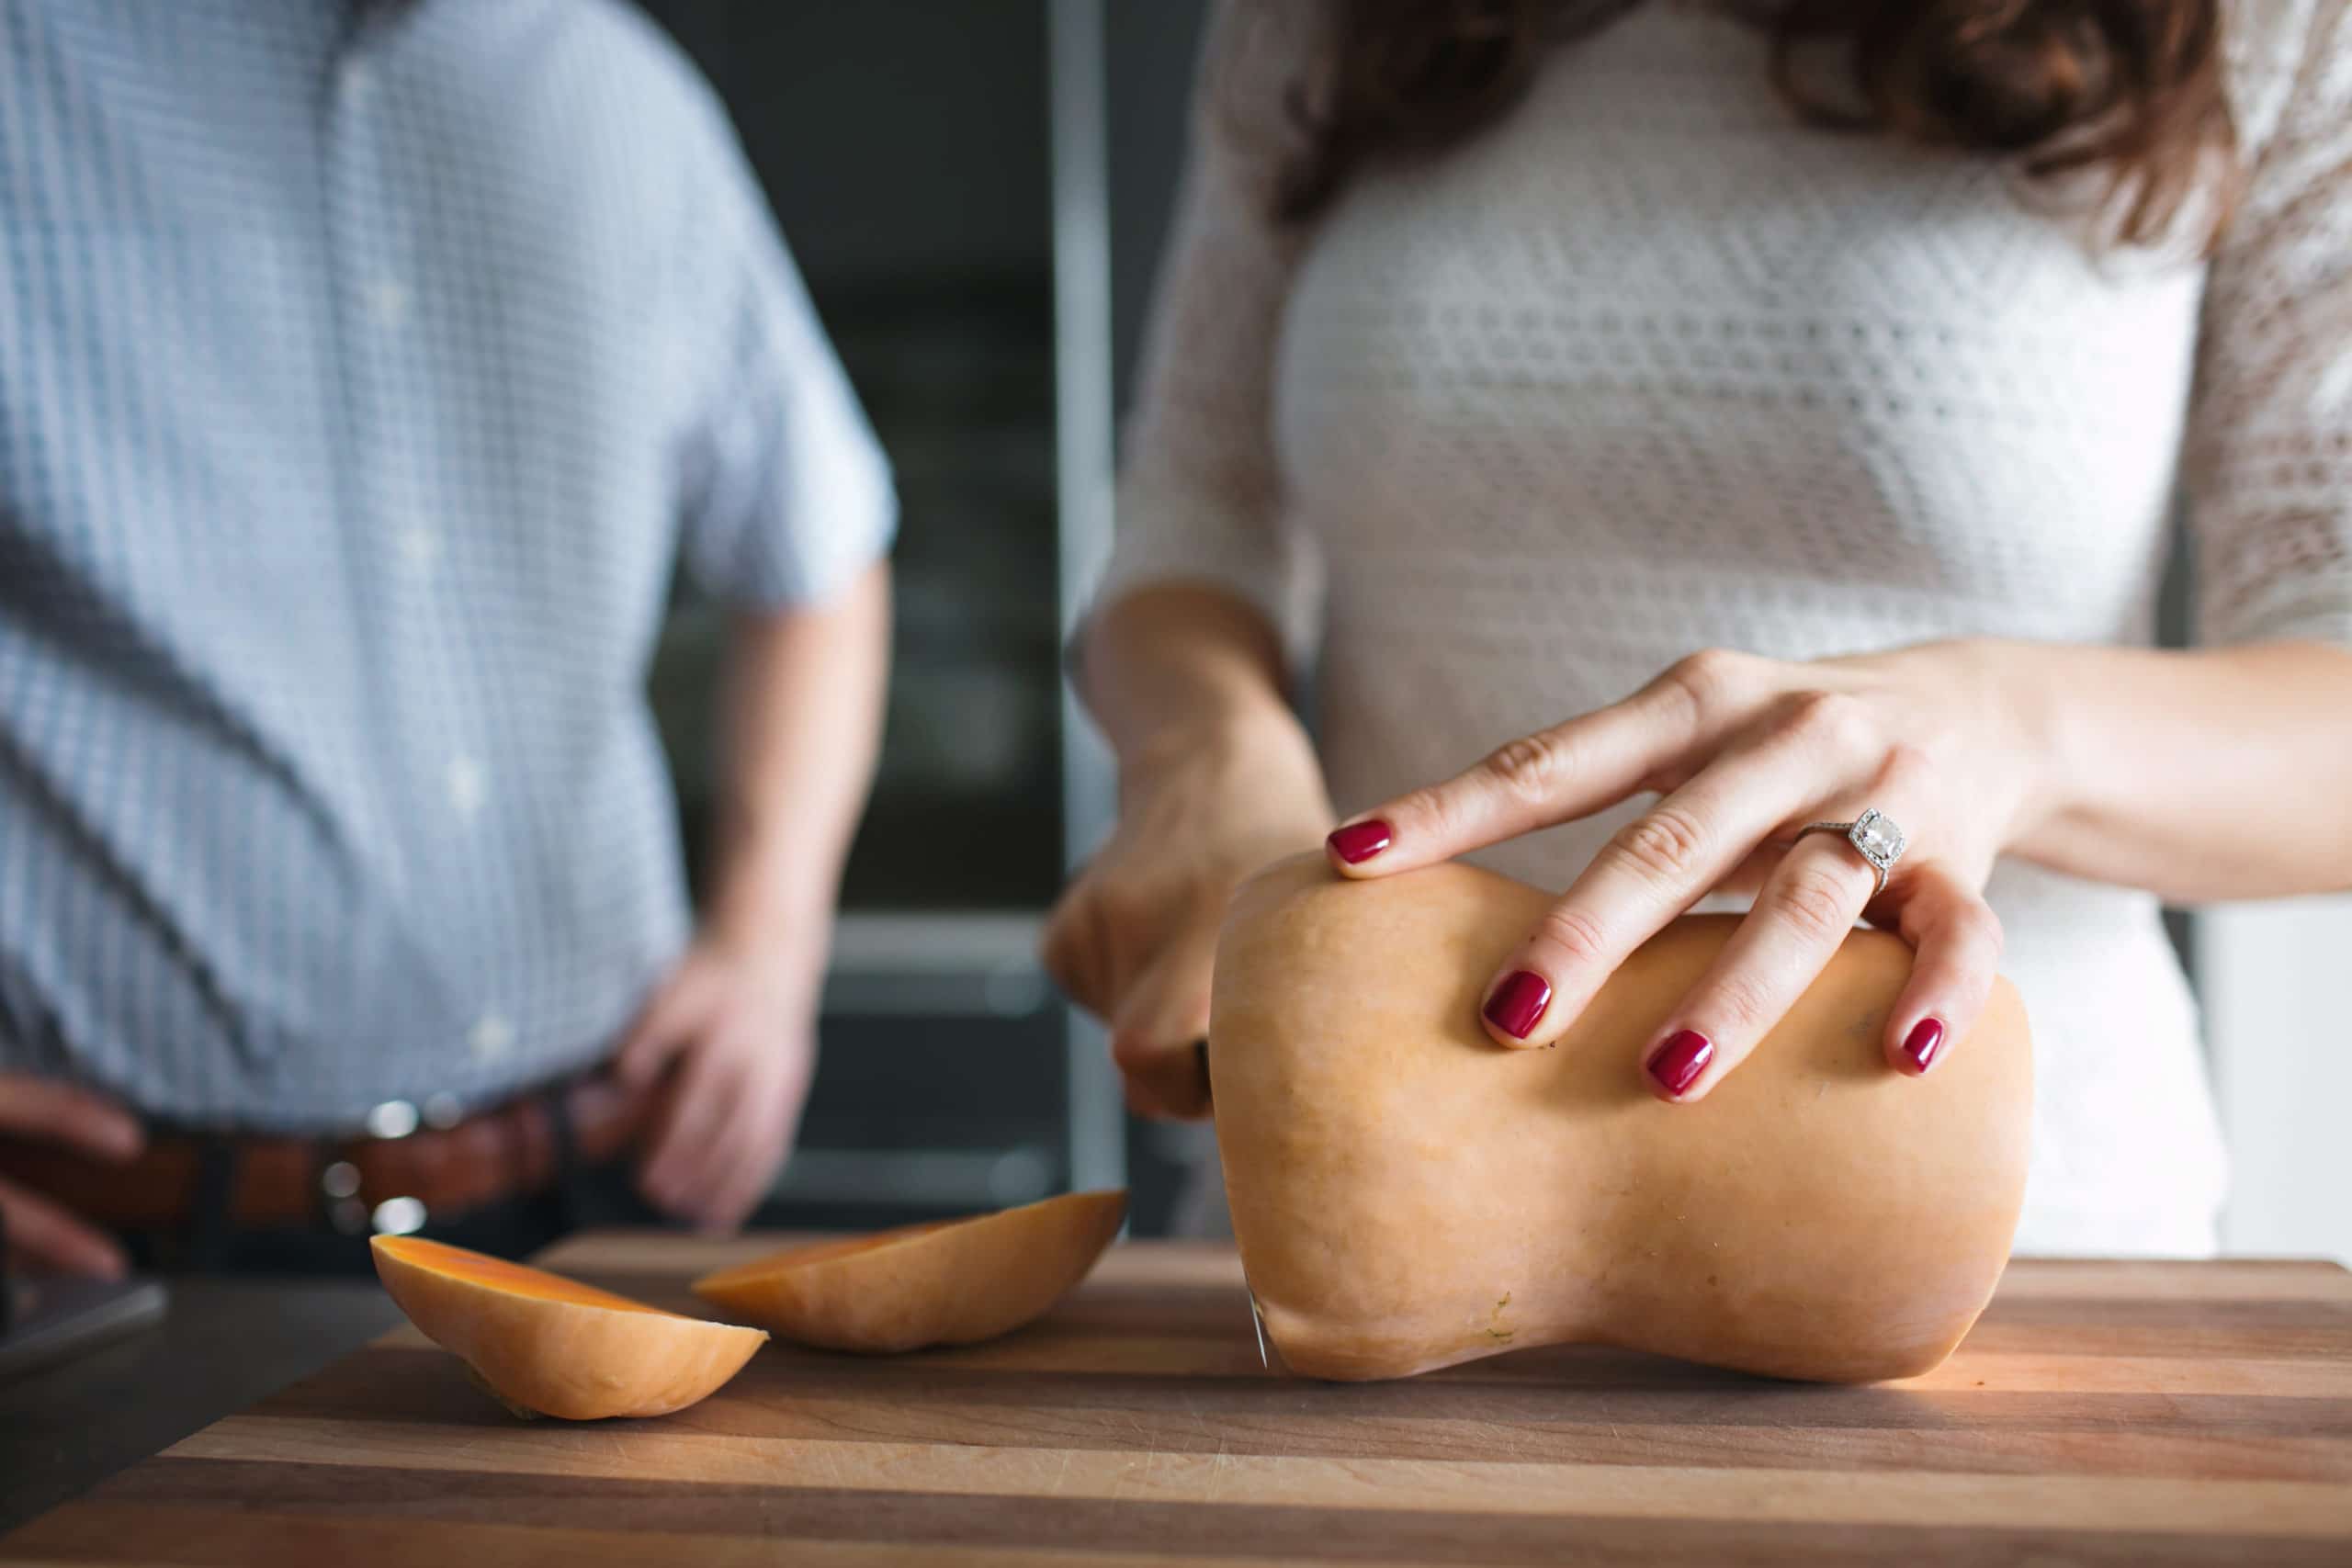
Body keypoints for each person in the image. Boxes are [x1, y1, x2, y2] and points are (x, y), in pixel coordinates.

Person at [1045, 0, 2352, 1255]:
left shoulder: (2265, 24)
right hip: (1378, 1196)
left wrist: (2003, 733)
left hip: (1996, 1235)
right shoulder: (1321, 18)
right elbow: (1188, 532)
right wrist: (1209, 754)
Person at [0, 0, 892, 1276]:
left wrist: (768, 940)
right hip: (118, 1251)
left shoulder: (621, 92)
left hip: (606, 1194)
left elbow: (819, 553)